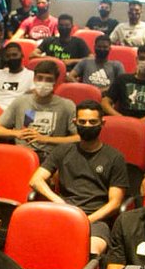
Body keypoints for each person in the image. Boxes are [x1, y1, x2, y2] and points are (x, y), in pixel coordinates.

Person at [29, 100, 129, 254]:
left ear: (102, 123)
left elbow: (115, 203)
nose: (87, 125)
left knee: (89, 251)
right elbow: (35, 180)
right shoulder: (63, 150)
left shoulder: (115, 157)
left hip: (96, 219)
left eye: (93, 122)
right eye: (82, 121)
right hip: (62, 213)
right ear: (75, 122)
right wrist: (61, 203)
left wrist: (84, 221)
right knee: (35, 241)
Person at [0, 61, 78, 160]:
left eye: (48, 80)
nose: (43, 82)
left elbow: (78, 138)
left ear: (55, 81)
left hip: (51, 158)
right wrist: (16, 133)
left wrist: (46, 139)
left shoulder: (67, 105)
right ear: (34, 79)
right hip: (22, 155)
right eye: (40, 78)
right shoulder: (21, 101)